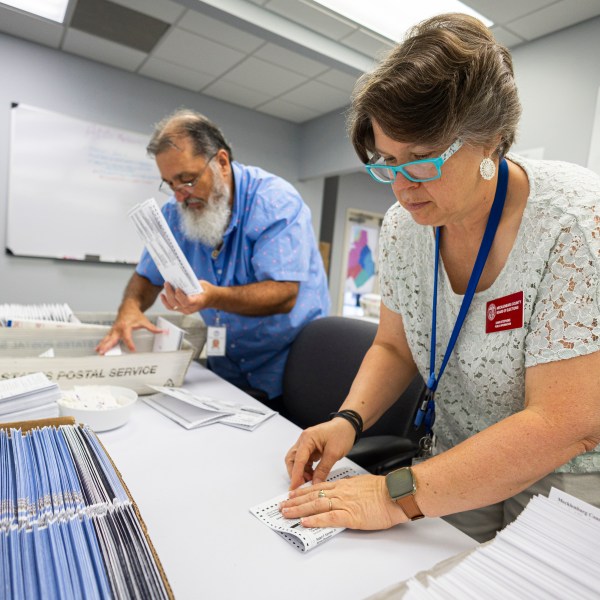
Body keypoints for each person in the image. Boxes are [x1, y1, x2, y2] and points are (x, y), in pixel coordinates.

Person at [281, 13, 600, 542]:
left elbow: (565, 422)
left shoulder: (574, 222)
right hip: (454, 456)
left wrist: (390, 496)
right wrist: (348, 421)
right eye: (387, 160)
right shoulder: (404, 228)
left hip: (565, 474)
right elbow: (393, 346)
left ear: (491, 141)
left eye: (423, 160)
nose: (400, 186)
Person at [97, 109, 330, 408]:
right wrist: (129, 309)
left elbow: (283, 294)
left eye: (188, 180)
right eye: (170, 184)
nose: (180, 196)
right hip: (227, 364)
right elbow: (146, 277)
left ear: (221, 162)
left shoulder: (275, 202)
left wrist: (212, 297)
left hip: (288, 364)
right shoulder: (174, 212)